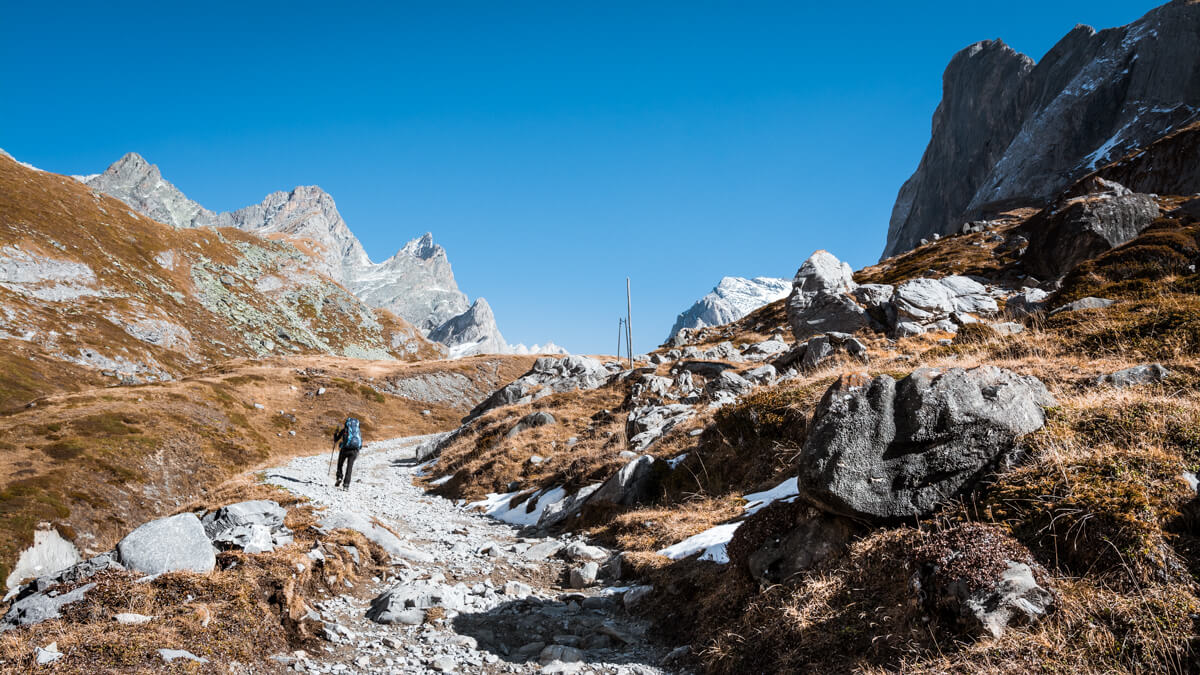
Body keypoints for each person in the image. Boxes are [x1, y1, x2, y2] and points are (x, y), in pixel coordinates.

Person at [332, 416, 362, 491]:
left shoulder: (345, 430)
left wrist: (335, 434)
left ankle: (339, 477)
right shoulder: (358, 432)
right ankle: (346, 485)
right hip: (354, 451)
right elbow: (360, 444)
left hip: (345, 450)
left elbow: (336, 440)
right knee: (349, 467)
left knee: (340, 464)